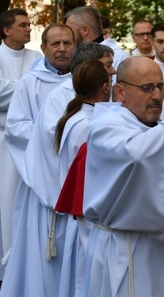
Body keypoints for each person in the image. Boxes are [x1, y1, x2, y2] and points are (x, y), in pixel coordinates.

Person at [81, 56, 164, 297]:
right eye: (147, 88)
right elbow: (135, 154)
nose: (157, 95)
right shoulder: (106, 126)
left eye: (160, 87)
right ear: (120, 91)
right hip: (126, 252)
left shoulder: (159, 131)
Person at [0, 43, 116, 297]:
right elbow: (54, 146)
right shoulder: (63, 97)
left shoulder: (96, 99)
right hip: (61, 203)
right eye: (108, 66)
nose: (113, 71)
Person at [0, 8, 42, 296]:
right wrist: (30, 88)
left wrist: (28, 91)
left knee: (23, 206)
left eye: (29, 24)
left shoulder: (37, 58)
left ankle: (24, 271)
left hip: (28, 143)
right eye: (23, 25)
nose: (28, 29)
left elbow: (45, 92)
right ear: (6, 30)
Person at [52, 60, 112, 297]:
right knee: (85, 282)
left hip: (79, 214)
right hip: (85, 216)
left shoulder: (75, 117)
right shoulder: (88, 124)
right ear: (105, 87)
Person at [5, 24, 75, 193]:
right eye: (55, 44)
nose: (62, 49)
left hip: (75, 161)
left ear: (75, 46)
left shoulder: (83, 79)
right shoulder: (30, 82)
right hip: (41, 163)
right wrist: (55, 133)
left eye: (67, 43)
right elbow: (15, 126)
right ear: (43, 48)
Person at [64, 6, 129, 67]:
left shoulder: (119, 58)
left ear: (85, 30)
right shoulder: (78, 56)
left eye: (69, 30)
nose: (66, 35)